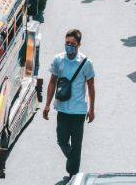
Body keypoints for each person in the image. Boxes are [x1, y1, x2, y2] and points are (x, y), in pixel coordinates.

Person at [43, 29, 95, 179]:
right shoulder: (58, 59)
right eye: (67, 43)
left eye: (72, 44)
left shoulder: (86, 63)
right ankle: (73, 164)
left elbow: (91, 87)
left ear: (79, 45)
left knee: (76, 145)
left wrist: (91, 109)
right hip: (62, 109)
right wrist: (47, 105)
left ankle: (73, 174)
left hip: (79, 111)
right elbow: (52, 82)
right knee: (62, 140)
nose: (69, 46)